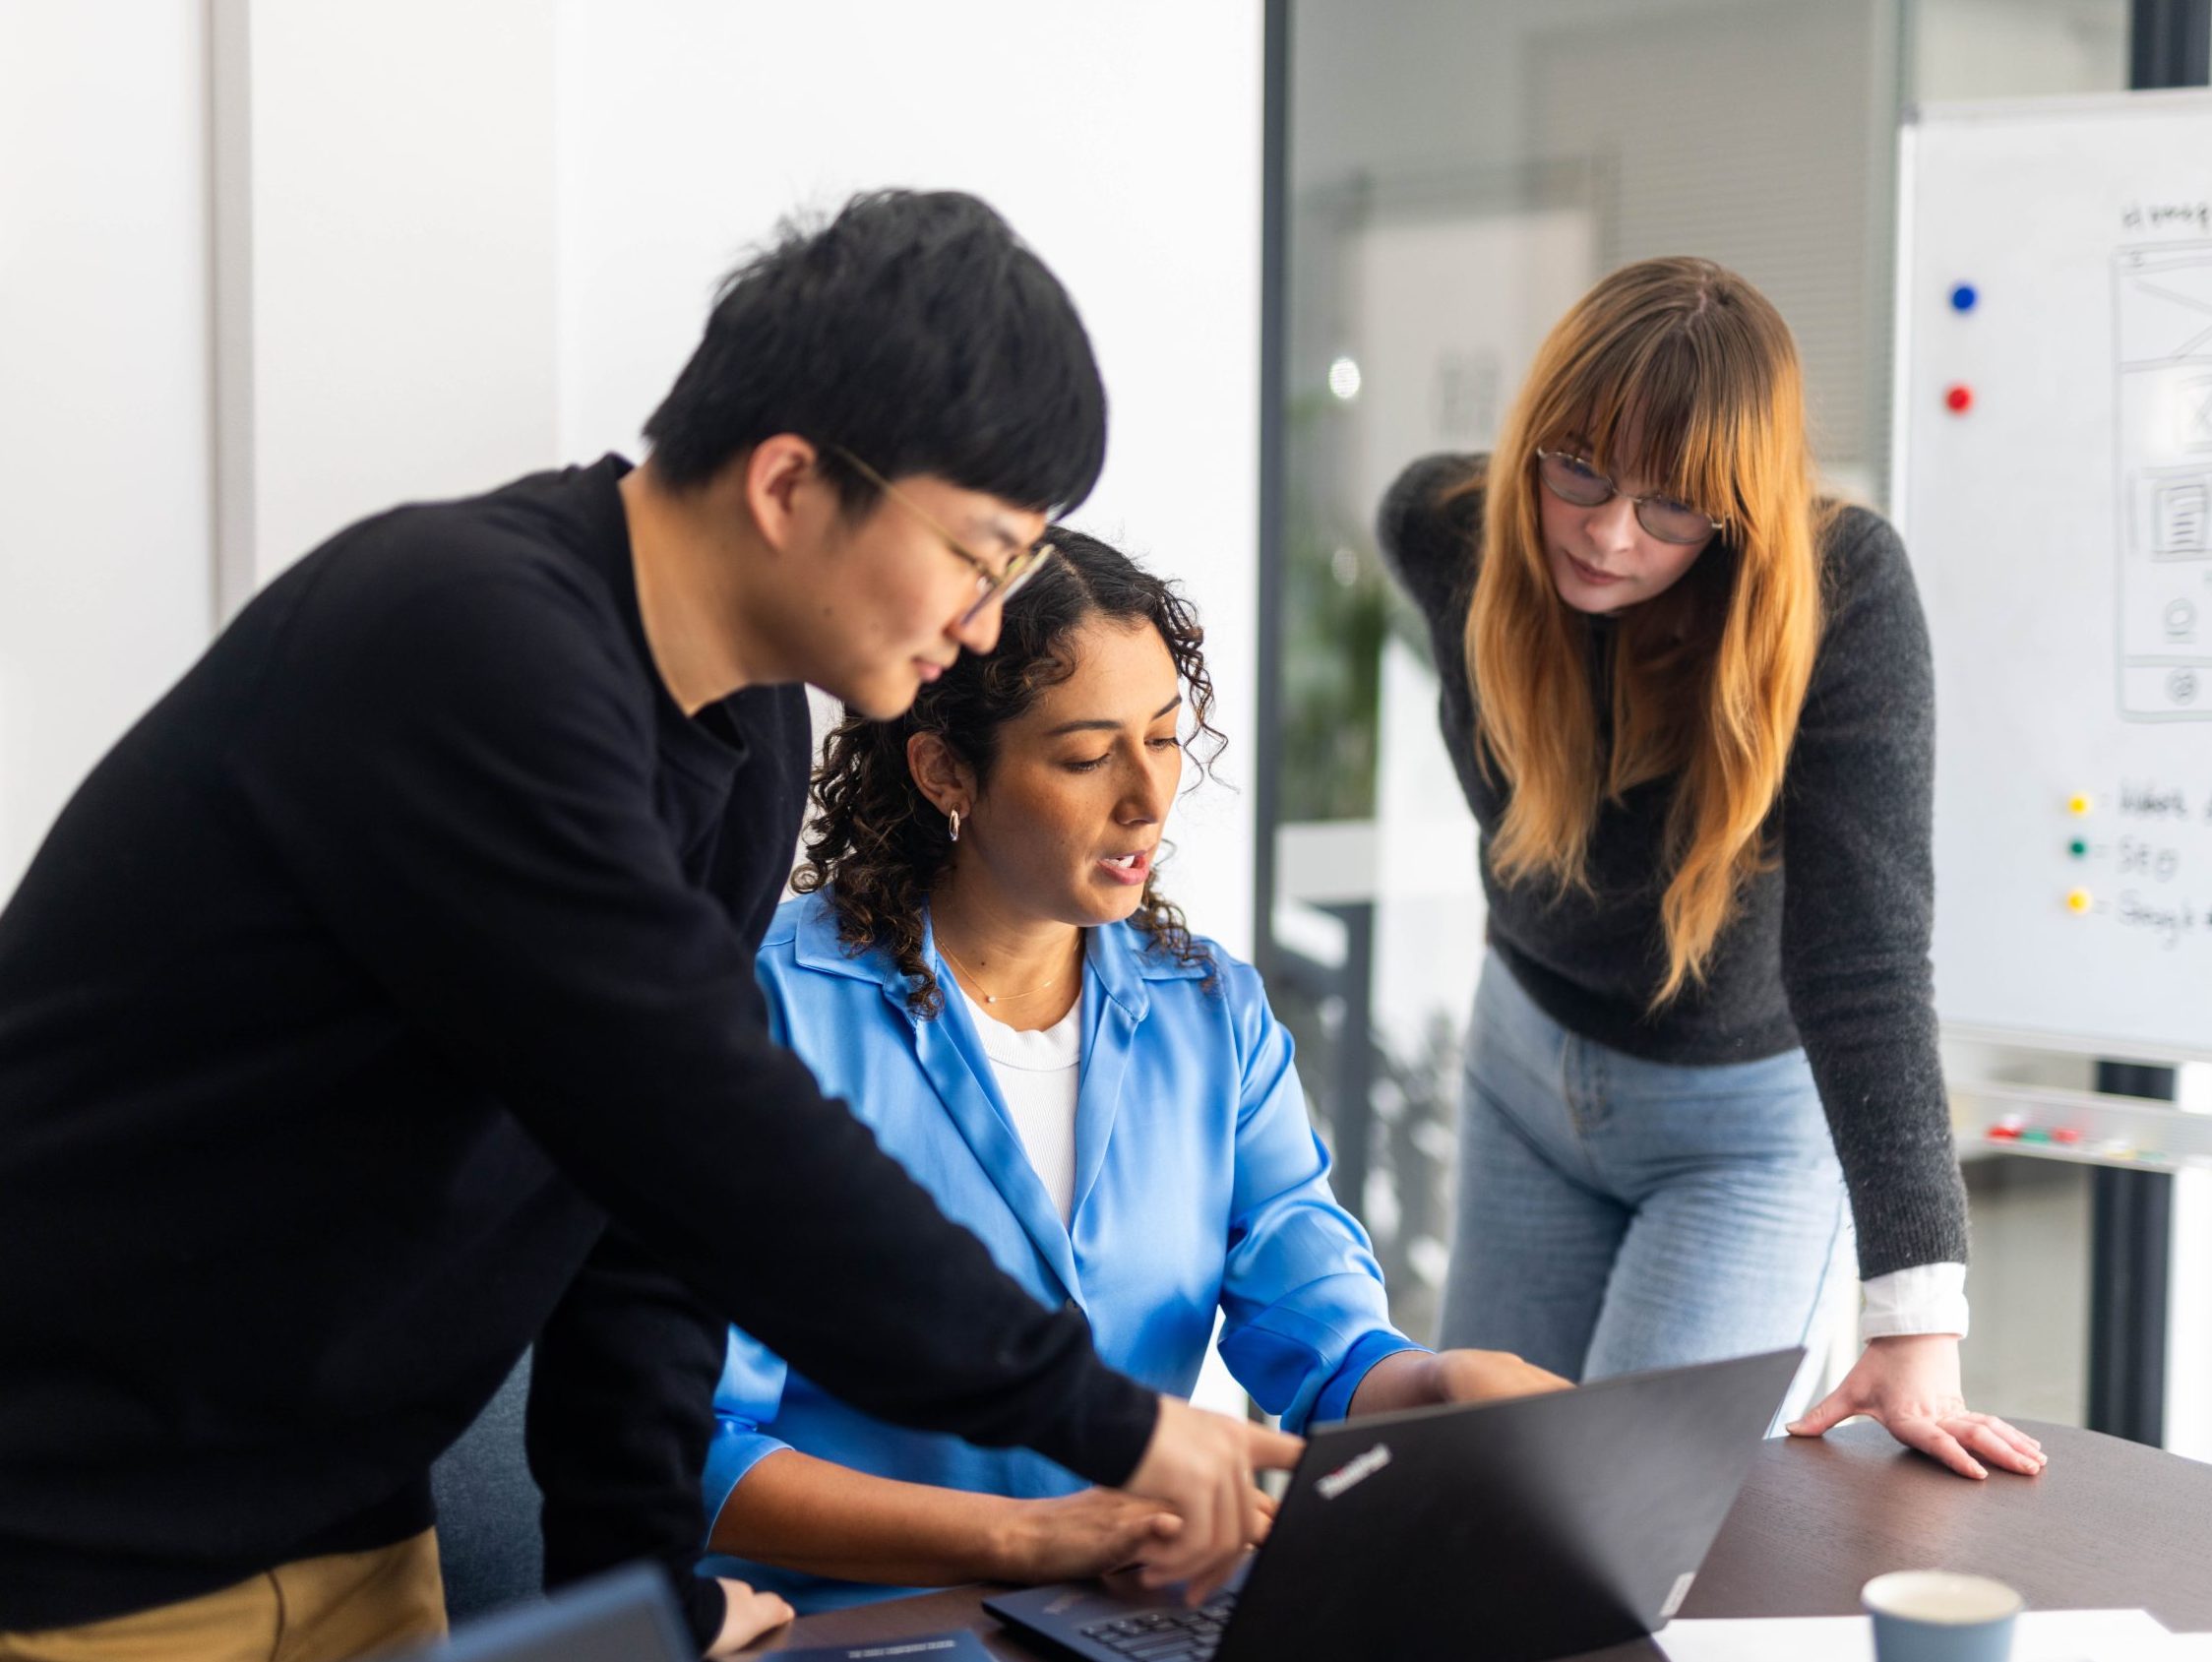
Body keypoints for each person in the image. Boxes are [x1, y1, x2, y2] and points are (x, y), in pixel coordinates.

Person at [0, 191, 1294, 1662]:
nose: (987, 624)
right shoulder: (467, 642)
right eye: (979, 555)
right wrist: (1109, 1420)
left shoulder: (747, 738)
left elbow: (639, 1219)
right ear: (792, 483)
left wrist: (632, 1608)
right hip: (69, 1546)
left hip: (352, 1532)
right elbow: (721, 1142)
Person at [698, 529, 1568, 1612]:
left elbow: (1321, 1343)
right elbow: (697, 1451)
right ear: (943, 770)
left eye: (1163, 737)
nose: (1148, 798)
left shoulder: (1212, 1016)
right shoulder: (762, 1007)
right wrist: (1031, 1539)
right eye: (1084, 755)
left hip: (1120, 1616)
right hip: (843, 1629)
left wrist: (1434, 1386)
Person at [1375, 256, 2046, 1483]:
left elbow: (1865, 956)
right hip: (1523, 1075)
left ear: (1738, 509)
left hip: (1739, 1130)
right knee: (1469, 1492)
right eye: (1579, 470)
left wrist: (1916, 1313)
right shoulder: (1451, 534)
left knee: (1632, 1517)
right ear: (1533, 439)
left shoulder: (1838, 595)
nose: (1609, 532)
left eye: (1672, 508)